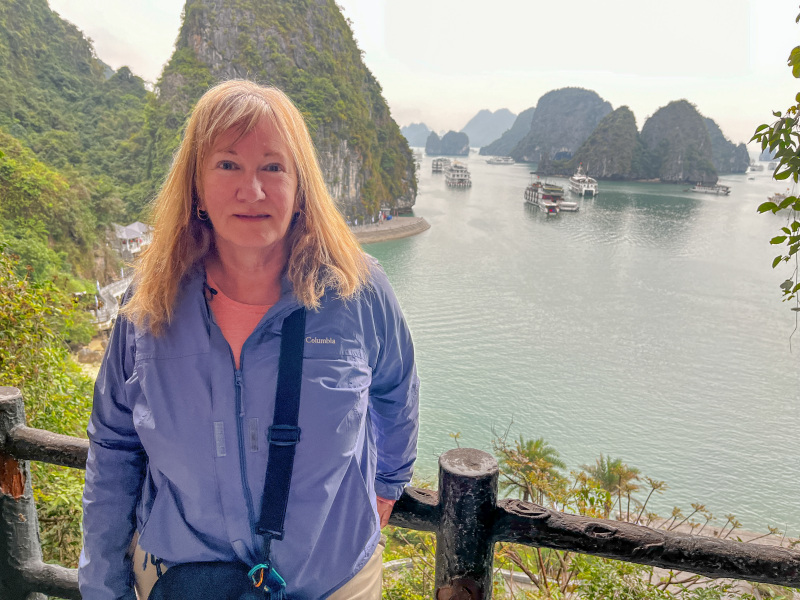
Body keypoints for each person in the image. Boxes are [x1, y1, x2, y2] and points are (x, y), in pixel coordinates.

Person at [79, 80, 420, 599]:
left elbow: (396, 389)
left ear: (301, 185)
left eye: (273, 167)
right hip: (182, 577)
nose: (252, 190)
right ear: (196, 184)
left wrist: (388, 484)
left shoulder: (356, 290)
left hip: (330, 578)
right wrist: (103, 587)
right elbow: (113, 445)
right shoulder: (149, 304)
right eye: (228, 164)